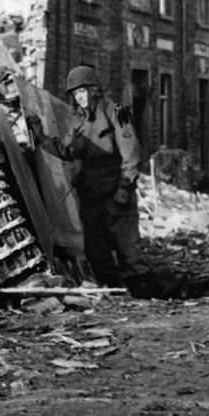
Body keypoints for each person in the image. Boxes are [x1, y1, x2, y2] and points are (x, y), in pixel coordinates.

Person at [62, 65, 151, 294]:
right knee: (97, 252)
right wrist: (40, 137)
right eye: (75, 94)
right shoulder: (77, 121)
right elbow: (67, 151)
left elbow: (131, 153)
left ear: (95, 90)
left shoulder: (119, 111)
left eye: (82, 92)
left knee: (129, 251)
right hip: (91, 196)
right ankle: (117, 295)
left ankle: (144, 296)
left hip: (116, 193)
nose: (79, 98)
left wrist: (124, 187)